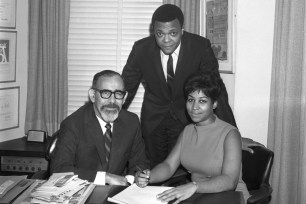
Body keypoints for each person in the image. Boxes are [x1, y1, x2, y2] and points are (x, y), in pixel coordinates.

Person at [122, 4, 260, 168]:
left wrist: (233, 135)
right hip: (154, 122)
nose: (166, 40)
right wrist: (108, 118)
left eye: (173, 33)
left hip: (186, 121)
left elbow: (216, 91)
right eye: (160, 34)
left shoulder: (200, 47)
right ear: (153, 31)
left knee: (184, 173)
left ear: (182, 29)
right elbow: (125, 88)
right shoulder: (141, 49)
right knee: (155, 171)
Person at [135, 70, 250, 204]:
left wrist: (194, 186)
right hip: (199, 197)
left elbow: (230, 180)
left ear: (214, 104)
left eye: (202, 101)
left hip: (229, 198)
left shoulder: (230, 134)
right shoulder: (187, 131)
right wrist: (148, 177)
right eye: (191, 100)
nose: (194, 107)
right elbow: (168, 166)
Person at [51, 70, 149, 185]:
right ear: (93, 96)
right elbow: (58, 170)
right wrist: (105, 178)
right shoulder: (73, 124)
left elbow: (139, 162)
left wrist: (137, 176)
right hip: (82, 190)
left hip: (117, 192)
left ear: (125, 97)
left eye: (118, 94)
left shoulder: (131, 122)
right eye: (105, 93)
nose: (112, 101)